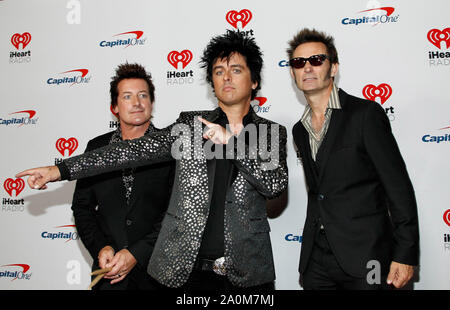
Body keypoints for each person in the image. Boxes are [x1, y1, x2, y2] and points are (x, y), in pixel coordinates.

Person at [17, 30, 288, 290]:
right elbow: (131, 151)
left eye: (236, 70)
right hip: (188, 274)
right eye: (219, 71)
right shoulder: (190, 126)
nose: (226, 77)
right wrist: (60, 169)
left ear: (254, 81)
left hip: (249, 275)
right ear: (212, 83)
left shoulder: (271, 133)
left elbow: (274, 184)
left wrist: (232, 142)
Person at [287, 28, 419, 290]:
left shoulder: (364, 115)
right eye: (299, 63)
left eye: (317, 60)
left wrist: (405, 255)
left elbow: (398, 187)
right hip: (317, 261)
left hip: (369, 256)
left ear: (333, 68)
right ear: (292, 73)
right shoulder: (299, 130)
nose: (308, 68)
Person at [73, 63, 174, 290]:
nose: (137, 103)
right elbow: (82, 207)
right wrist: (102, 247)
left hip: (156, 276)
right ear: (114, 107)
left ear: (151, 103)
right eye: (127, 96)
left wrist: (137, 253)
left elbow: (175, 213)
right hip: (108, 276)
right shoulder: (97, 148)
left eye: (143, 95)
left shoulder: (171, 149)